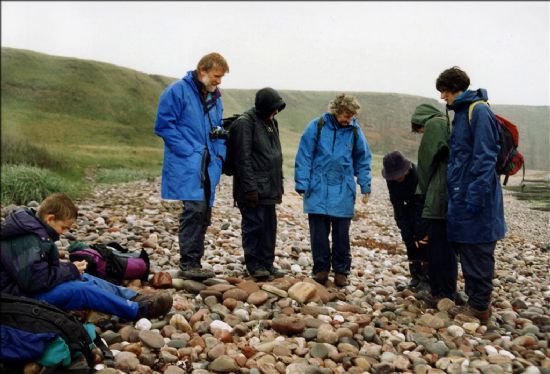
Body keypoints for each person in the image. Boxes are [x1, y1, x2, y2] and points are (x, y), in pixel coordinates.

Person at [0, 193, 173, 321]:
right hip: (19, 300)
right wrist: (70, 269)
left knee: (84, 277)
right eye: (64, 227)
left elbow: (38, 271)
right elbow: (33, 281)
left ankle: (132, 296)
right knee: (81, 290)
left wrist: (71, 270)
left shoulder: (33, 230)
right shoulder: (26, 238)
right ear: (50, 218)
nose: (63, 234)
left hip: (26, 290)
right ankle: (136, 310)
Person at [435, 66, 506, 323]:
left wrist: (474, 197)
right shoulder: (463, 113)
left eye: (444, 91)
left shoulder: (479, 112)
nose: (443, 97)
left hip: (477, 199)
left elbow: (485, 158)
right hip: (463, 196)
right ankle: (475, 301)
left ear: (455, 88)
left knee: (478, 250)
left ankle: (479, 307)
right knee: (468, 250)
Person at [154, 52, 229, 280]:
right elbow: (164, 126)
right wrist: (190, 151)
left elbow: (218, 128)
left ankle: (195, 261)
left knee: (204, 212)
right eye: (217, 76)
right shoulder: (177, 91)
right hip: (188, 163)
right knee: (194, 210)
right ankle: (188, 264)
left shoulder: (215, 97)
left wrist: (220, 156)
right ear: (202, 71)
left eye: (221, 77)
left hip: (209, 163)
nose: (219, 81)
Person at [295, 94, 372, 287]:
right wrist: (302, 183)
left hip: (343, 189)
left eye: (352, 115)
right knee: (318, 233)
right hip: (318, 187)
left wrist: (365, 186)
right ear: (336, 111)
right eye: (346, 115)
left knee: (341, 234)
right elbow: (304, 155)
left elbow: (363, 159)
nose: (349, 119)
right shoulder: (317, 126)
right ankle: (320, 270)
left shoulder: (355, 131)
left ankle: (341, 271)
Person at [230, 87, 287, 280]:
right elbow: (242, 159)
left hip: (270, 186)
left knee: (269, 227)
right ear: (264, 106)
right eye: (273, 108)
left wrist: (278, 182)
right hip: (252, 189)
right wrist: (249, 189)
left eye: (278, 109)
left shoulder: (272, 122)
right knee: (254, 226)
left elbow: (273, 155)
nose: (276, 112)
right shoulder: (244, 124)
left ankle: (267, 263)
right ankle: (254, 265)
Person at [410, 103, 459, 304]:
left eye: (419, 130)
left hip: (439, 193)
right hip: (451, 192)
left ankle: (441, 293)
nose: (422, 133)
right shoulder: (448, 122)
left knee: (439, 246)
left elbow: (425, 162)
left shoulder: (434, 125)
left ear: (420, 121)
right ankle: (447, 291)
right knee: (448, 246)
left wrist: (421, 190)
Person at [381, 151, 429, 290]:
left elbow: (423, 200)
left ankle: (427, 277)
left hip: (422, 205)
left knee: (422, 239)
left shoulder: (417, 174)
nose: (396, 178)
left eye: (398, 174)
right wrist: (402, 224)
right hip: (405, 207)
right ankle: (415, 275)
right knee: (408, 239)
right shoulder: (391, 180)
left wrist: (421, 225)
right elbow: (396, 202)